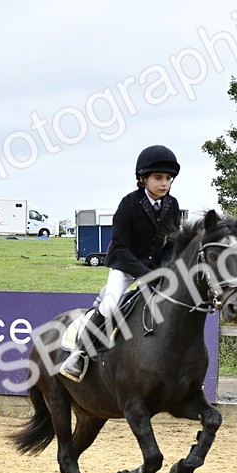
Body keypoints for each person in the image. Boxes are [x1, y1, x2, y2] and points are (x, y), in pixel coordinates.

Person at [60, 145, 181, 381]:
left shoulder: (172, 205)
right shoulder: (129, 204)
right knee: (109, 306)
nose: (164, 183)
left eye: (168, 178)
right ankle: (79, 354)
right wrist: (145, 274)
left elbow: (171, 243)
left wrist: (166, 269)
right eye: (158, 178)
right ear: (142, 178)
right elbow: (122, 247)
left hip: (155, 267)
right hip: (125, 265)